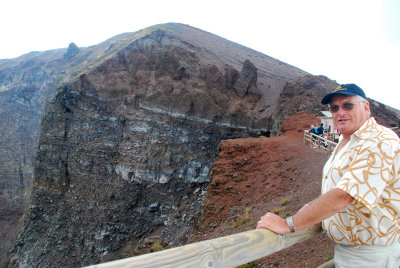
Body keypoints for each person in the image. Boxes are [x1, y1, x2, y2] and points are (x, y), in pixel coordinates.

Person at [257, 84, 400, 267]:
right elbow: (340, 186)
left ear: (366, 107)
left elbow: (343, 195)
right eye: (334, 108)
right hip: (351, 252)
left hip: (370, 256)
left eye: (348, 105)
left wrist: (288, 225)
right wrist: (311, 206)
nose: (340, 112)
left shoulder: (380, 141)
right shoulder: (347, 140)